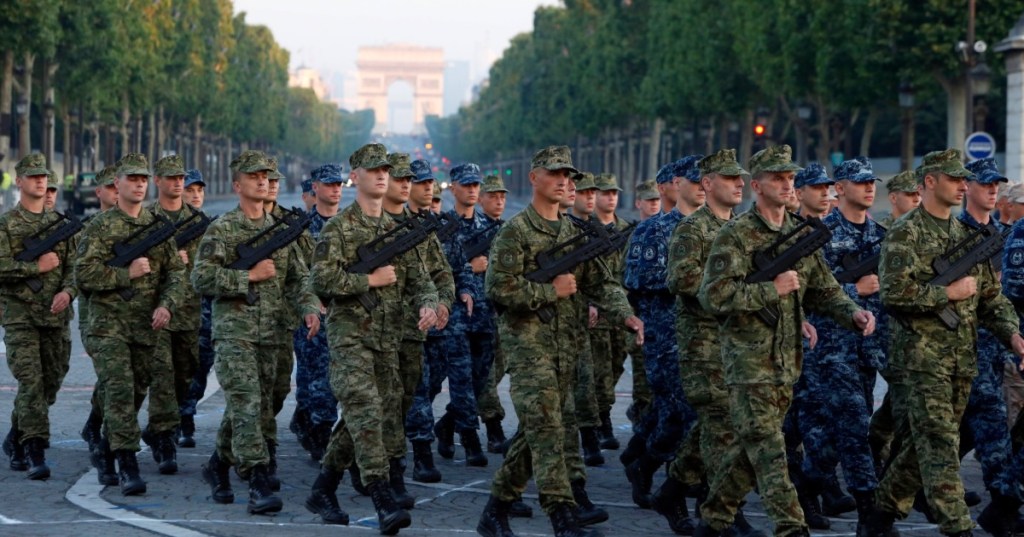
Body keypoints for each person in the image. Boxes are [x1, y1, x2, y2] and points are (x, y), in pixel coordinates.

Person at [696, 144, 876, 537]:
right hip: (747, 363)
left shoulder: (800, 233)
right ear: (756, 185)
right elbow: (713, 296)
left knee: (752, 447)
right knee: (771, 450)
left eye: (790, 177)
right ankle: (791, 528)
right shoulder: (736, 235)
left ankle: (713, 518)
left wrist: (852, 313)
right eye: (777, 178)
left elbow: (823, 290)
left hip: (786, 361)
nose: (786, 183)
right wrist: (769, 291)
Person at [476, 145, 644, 537]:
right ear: (534, 178)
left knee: (538, 430)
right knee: (548, 428)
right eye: (555, 174)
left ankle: (495, 510)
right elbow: (497, 288)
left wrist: (625, 314)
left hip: (567, 346)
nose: (564, 181)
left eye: (568, 175)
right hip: (528, 346)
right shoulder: (515, 232)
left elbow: (602, 283)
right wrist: (550, 292)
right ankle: (562, 515)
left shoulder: (575, 233)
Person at [864, 149, 1024, 537]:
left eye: (962, 179)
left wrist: (1013, 333)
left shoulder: (966, 236)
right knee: (938, 445)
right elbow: (894, 294)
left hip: (960, 360)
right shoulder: (906, 232)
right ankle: (957, 527)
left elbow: (990, 298)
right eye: (954, 179)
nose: (961, 186)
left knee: (922, 447)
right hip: (919, 361)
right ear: (930, 182)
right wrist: (946, 293)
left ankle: (880, 514)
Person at [308, 143, 438, 533]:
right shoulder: (339, 229)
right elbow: (321, 280)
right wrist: (368, 280)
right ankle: (382, 500)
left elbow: (421, 280)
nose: (383, 175)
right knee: (365, 412)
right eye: (373, 169)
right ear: (356, 177)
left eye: (386, 169)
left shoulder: (398, 231)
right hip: (349, 337)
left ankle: (323, 489)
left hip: (388, 339)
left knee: (367, 418)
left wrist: (429, 304)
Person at [192, 149, 320, 514]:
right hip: (235, 332)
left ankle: (218, 464)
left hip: (277, 332)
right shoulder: (223, 229)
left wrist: (309, 308)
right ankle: (259, 479)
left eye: (266, 175)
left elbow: (299, 279)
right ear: (237, 185)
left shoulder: (281, 230)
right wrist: (246, 276)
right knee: (247, 403)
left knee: (268, 402)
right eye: (254, 176)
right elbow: (200, 277)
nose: (263, 180)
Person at [75, 152, 187, 496]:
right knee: (121, 391)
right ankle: (127, 463)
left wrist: (167, 305)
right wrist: (125, 274)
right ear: (117, 184)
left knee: (136, 391)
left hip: (145, 326)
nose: (138, 184)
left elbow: (176, 274)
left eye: (142, 179)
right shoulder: (99, 227)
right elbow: (83, 273)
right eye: (132, 179)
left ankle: (108, 449)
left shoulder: (158, 230)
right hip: (107, 326)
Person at [663, 148, 761, 536]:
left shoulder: (743, 228)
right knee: (724, 427)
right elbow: (681, 280)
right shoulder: (692, 229)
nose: (739, 183)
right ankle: (726, 515)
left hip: (739, 344)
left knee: (718, 426)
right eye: (729, 178)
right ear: (707, 183)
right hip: (703, 344)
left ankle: (672, 488)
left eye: (741, 178)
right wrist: (729, 286)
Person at [795, 156, 889, 534]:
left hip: (865, 348)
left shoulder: (881, 234)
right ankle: (871, 515)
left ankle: (805, 487)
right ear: (841, 187)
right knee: (851, 427)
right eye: (861, 182)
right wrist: (853, 289)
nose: (870, 188)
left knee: (828, 439)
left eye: (872, 182)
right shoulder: (819, 234)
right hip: (828, 347)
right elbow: (804, 289)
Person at [622, 155, 705, 509]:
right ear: (674, 183)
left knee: (681, 414)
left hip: (704, 337)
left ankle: (647, 462)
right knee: (679, 413)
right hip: (665, 335)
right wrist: (691, 280)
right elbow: (636, 280)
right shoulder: (652, 229)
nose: (703, 186)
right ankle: (655, 471)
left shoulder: (714, 227)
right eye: (694, 179)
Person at [378, 152, 454, 506]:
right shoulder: (361, 223)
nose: (408, 184)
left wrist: (441, 303)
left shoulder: (420, 229)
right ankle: (387, 472)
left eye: (414, 179)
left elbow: (439, 273)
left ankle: (392, 465)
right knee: (376, 404)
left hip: (412, 332)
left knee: (408, 398)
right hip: (371, 333)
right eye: (402, 178)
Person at [0, 153, 78, 480]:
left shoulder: (60, 225)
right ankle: (35, 449)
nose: (40, 181)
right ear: (19, 182)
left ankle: (16, 437)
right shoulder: (6, 225)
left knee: (50, 383)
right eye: (33, 176)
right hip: (20, 317)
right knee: (31, 382)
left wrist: (68, 292)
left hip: (56, 317)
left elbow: (76, 268)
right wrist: (36, 267)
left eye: (43, 176)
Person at [143, 154, 202, 475]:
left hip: (188, 310)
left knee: (185, 375)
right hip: (154, 311)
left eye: (180, 177)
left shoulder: (198, 221)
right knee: (163, 376)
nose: (178, 183)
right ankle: (164, 438)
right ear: (158, 181)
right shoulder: (145, 219)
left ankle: (160, 427)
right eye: (170, 178)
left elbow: (209, 265)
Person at [291, 163, 345, 462]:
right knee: (313, 381)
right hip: (312, 315)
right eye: (329, 184)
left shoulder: (350, 226)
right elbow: (298, 273)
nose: (336, 188)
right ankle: (318, 431)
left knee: (333, 381)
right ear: (315, 189)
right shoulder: (303, 228)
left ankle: (317, 426)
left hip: (344, 316)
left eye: (339, 183)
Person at [177, 169, 211, 449]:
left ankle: (185, 412)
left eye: (199, 190)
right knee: (178, 368)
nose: (195, 195)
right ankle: (179, 418)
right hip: (177, 309)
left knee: (200, 366)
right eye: (190, 190)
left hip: (205, 310)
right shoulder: (171, 228)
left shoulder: (211, 227)